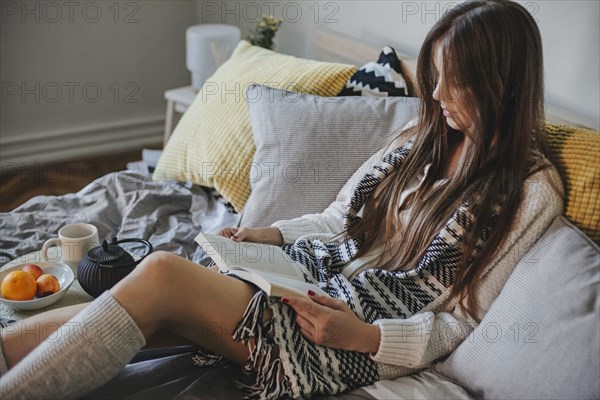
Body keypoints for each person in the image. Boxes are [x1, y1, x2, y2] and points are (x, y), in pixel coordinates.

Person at [0, 0, 564, 398]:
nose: (435, 93)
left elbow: (463, 321)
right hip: (309, 283)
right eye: (433, 75)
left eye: (454, 81)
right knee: (150, 309)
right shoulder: (421, 141)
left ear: (502, 85)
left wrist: (366, 336)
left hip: (350, 333)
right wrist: (264, 237)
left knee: (163, 275)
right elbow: (336, 221)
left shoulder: (529, 192)